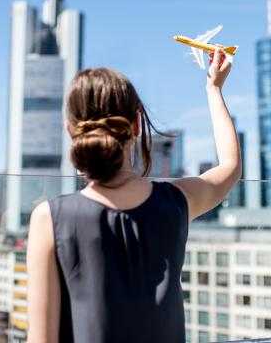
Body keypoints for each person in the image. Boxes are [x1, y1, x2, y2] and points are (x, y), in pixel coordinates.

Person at [26, 47, 242, 342]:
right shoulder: (175, 201)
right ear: (137, 125)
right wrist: (214, 88)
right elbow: (230, 166)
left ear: (71, 132)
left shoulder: (49, 219)